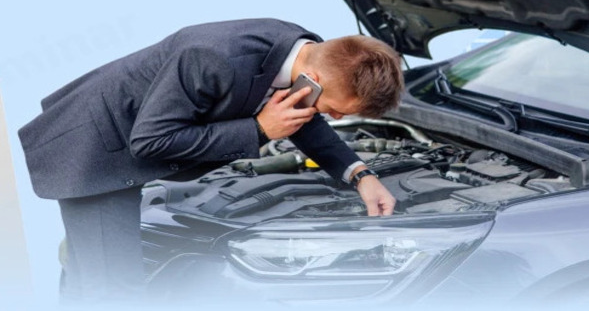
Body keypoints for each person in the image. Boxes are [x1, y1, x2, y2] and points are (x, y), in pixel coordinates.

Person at [17, 18, 404, 302]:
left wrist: (361, 175)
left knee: (86, 284)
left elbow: (303, 119)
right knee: (115, 292)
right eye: (334, 109)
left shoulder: (300, 52)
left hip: (116, 142)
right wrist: (260, 130)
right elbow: (150, 142)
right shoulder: (212, 58)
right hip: (96, 154)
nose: (333, 117)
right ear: (312, 79)